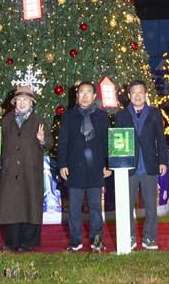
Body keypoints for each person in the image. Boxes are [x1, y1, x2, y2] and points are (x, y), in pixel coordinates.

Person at [115, 80, 168, 250]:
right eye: (134, 93)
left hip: (149, 165)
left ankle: (149, 238)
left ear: (145, 95)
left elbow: (161, 138)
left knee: (151, 205)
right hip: (127, 166)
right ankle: (128, 237)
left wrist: (163, 161)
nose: (137, 96)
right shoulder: (121, 116)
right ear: (129, 96)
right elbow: (118, 141)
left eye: (140, 93)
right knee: (126, 204)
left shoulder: (155, 113)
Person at [58, 81, 111, 252]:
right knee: (74, 208)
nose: (85, 96)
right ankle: (75, 241)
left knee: (96, 208)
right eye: (82, 92)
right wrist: (62, 164)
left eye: (89, 92)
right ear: (77, 96)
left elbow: (107, 143)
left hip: (96, 169)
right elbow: (63, 142)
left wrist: (108, 164)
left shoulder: (102, 116)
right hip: (74, 168)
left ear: (95, 96)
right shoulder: (68, 116)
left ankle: (96, 241)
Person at [0, 85, 52, 252]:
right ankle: (12, 241)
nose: (22, 103)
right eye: (19, 100)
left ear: (31, 102)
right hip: (10, 170)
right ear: (14, 102)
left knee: (30, 205)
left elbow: (49, 143)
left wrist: (42, 140)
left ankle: (27, 242)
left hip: (30, 171)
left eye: (25, 100)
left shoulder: (39, 120)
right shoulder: (6, 120)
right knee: (11, 205)